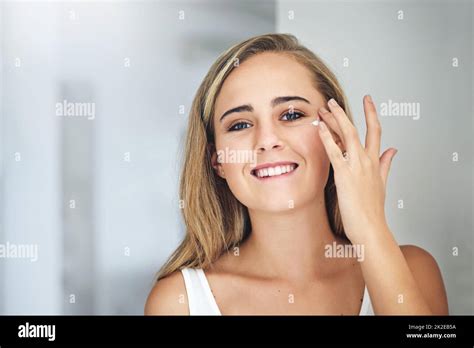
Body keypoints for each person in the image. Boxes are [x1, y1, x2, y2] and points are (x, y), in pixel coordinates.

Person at [145, 33, 448, 315]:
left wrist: (370, 230)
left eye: (291, 115)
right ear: (217, 161)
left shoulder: (414, 270)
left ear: (337, 134)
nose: (266, 140)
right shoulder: (180, 302)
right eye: (240, 124)